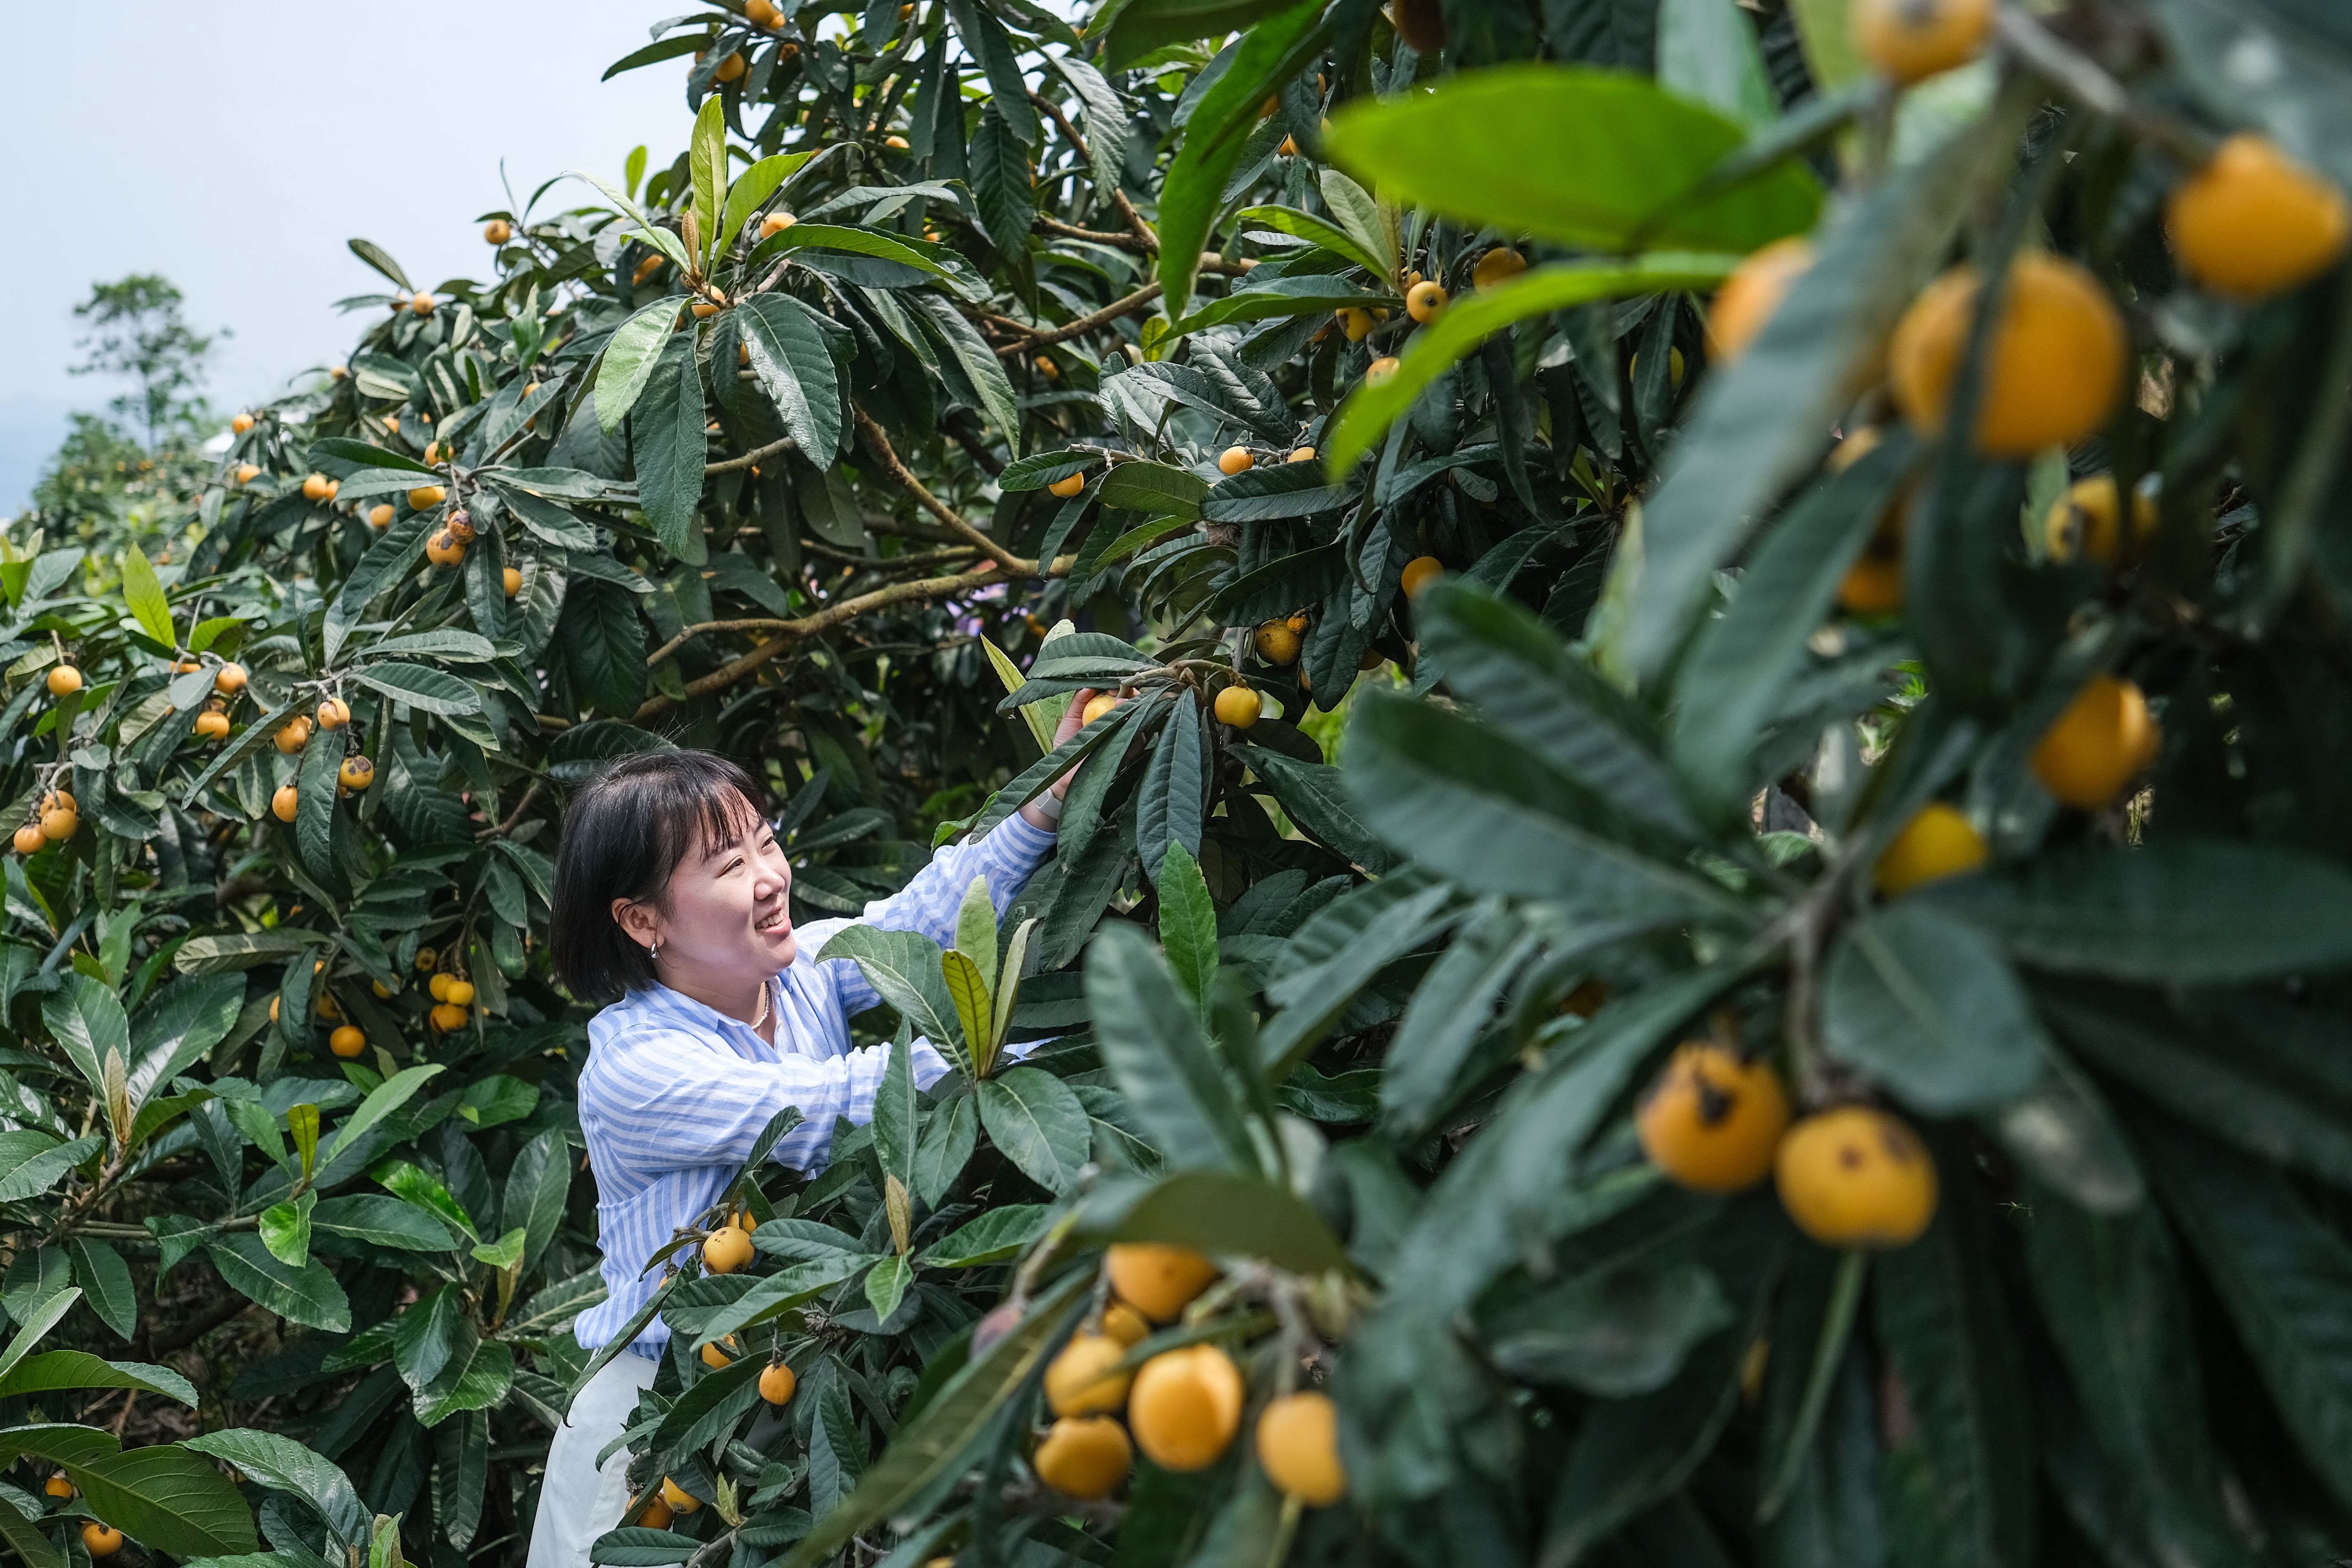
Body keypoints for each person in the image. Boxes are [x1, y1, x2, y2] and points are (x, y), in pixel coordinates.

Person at [524, 693, 1093, 1568]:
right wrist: (1084, 1045)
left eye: (767, 840)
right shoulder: (634, 1069)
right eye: (726, 864)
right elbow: (823, 1109)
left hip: (784, 1382)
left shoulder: (792, 978)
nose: (770, 876)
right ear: (643, 921)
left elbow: (920, 921)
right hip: (647, 1424)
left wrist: (1050, 797)